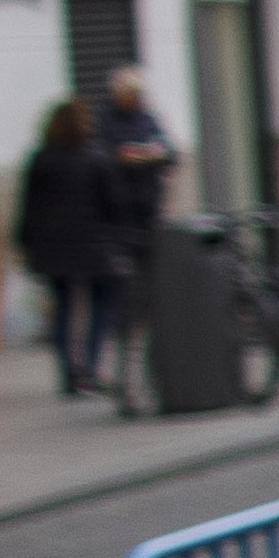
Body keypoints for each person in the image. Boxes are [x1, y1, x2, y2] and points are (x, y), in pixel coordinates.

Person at [91, 66, 183, 392]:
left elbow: (171, 153)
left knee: (153, 277)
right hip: (119, 215)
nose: (136, 99)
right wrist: (122, 157)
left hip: (149, 208)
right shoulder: (105, 122)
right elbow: (100, 160)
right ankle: (119, 337)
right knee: (120, 285)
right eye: (131, 95)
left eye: (139, 94)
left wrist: (157, 155)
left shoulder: (148, 119)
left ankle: (151, 338)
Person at [18, 97, 112, 394]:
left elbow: (29, 206)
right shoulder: (95, 157)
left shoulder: (41, 159)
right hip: (91, 245)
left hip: (54, 247)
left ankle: (68, 374)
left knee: (63, 309)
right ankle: (91, 367)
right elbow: (112, 204)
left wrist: (24, 242)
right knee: (100, 303)